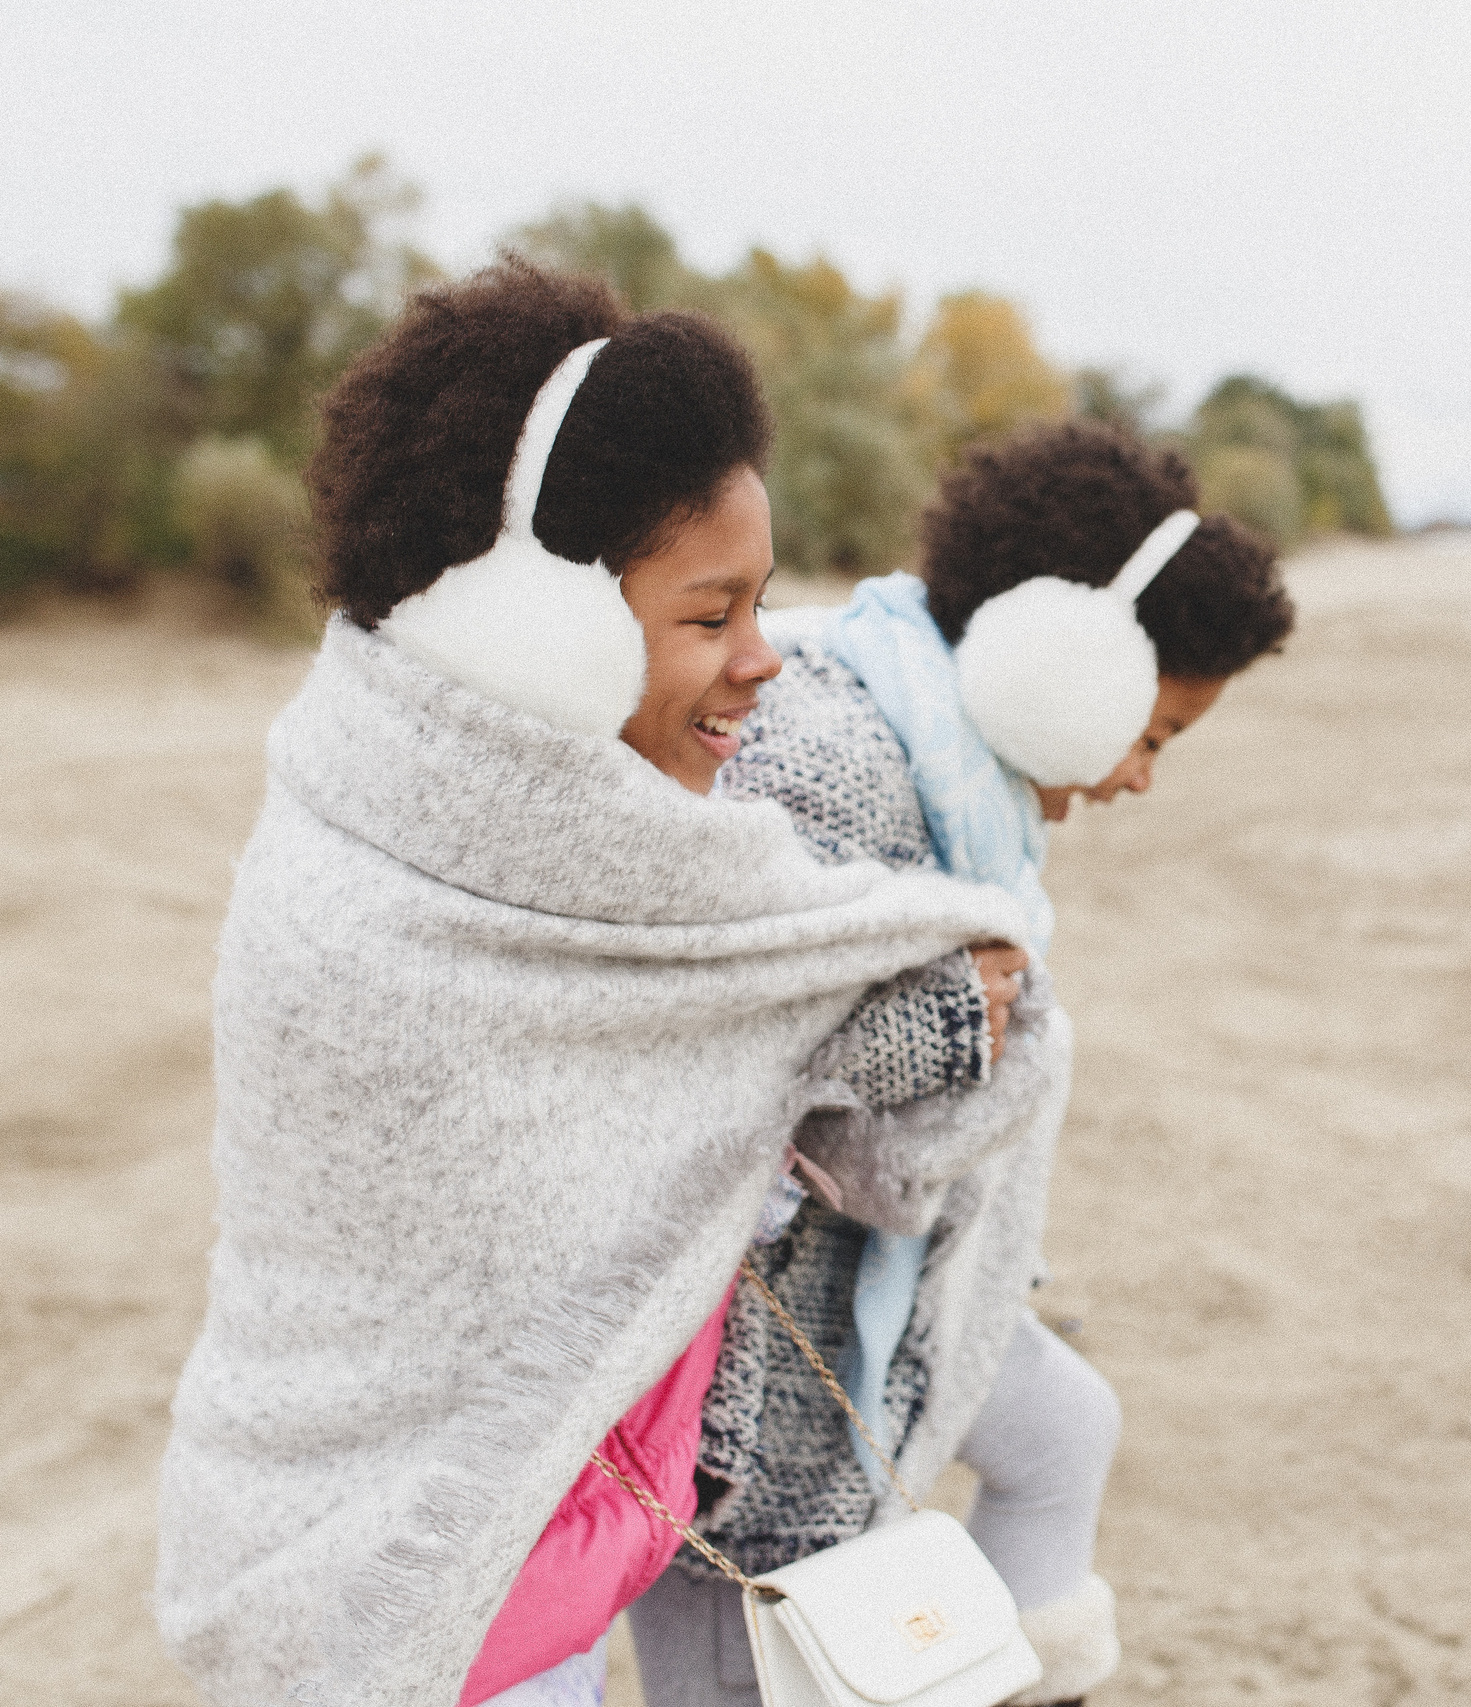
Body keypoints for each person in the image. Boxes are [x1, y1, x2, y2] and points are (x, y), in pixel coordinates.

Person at [152, 260, 1034, 1707]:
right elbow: (650, 1120)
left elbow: (718, 1039)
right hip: (417, 1576)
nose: (762, 660)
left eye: (764, 606)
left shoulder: (585, 861)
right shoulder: (383, 886)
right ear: (533, 623)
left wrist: (859, 1025)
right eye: (711, 615)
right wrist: (885, 1026)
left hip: (544, 1557)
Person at [629, 420, 1294, 1707]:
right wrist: (963, 1030)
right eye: (1154, 733)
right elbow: (785, 1114)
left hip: (854, 1298)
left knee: (1062, 1428)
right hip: (740, 1374)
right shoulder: (830, 767)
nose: (1141, 780)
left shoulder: (937, 764)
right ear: (1062, 667)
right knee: (749, 1650)